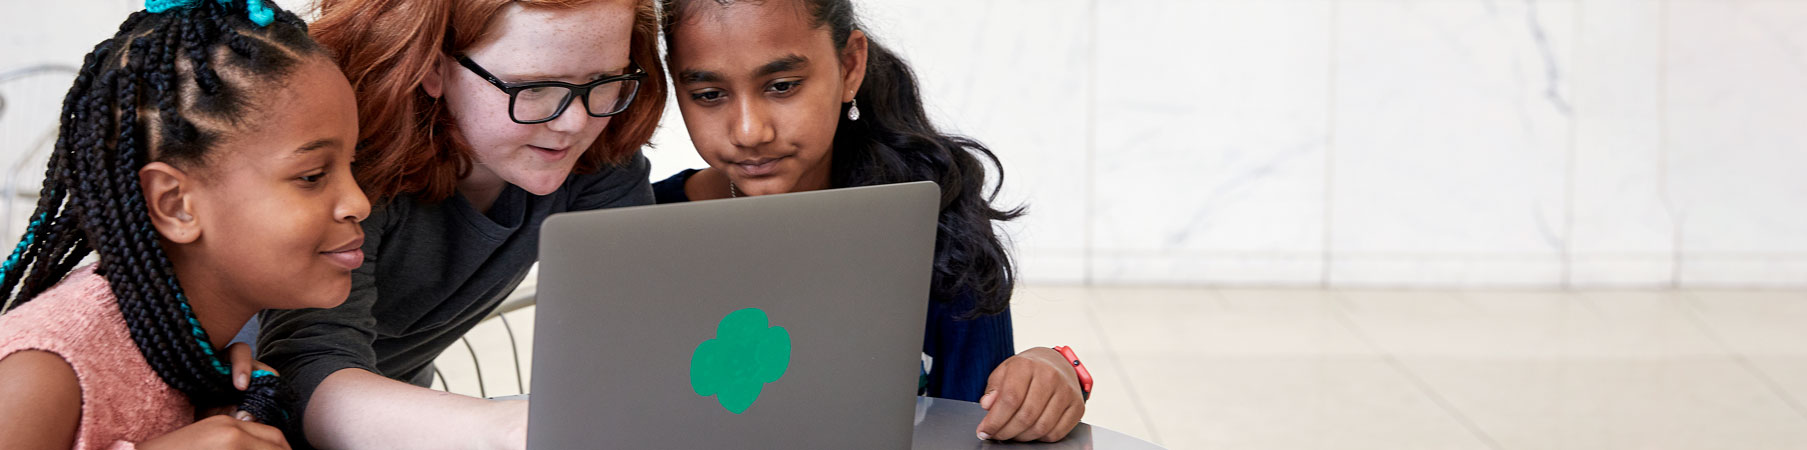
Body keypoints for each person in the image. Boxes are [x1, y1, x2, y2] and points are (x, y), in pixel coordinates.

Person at [651, 0, 1091, 442]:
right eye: (709, 95)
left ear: (850, 65)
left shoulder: (935, 220)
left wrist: (1045, 375)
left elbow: (979, 423)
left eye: (782, 85)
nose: (749, 131)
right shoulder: (646, 230)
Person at [252, 0, 668, 447]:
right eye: (533, 87)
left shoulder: (598, 155)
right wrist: (507, 430)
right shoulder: (354, 171)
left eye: (604, 81)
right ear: (433, 68)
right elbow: (304, 368)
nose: (575, 122)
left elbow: (634, 331)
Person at [0, 0, 368, 447]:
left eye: (353, 165)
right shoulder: (42, 370)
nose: (359, 203)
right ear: (175, 205)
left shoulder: (193, 356)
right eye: (312, 176)